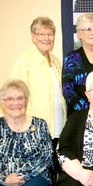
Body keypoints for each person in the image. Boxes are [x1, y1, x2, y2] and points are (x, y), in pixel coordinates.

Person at [11, 16, 67, 149]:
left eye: (50, 34)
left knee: (55, 167)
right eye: (42, 34)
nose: (47, 38)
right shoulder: (24, 61)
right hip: (33, 129)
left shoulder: (56, 61)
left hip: (58, 127)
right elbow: (15, 98)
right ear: (33, 36)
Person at [0, 79, 52, 186]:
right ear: (3, 103)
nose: (16, 103)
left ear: (26, 101)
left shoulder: (40, 125)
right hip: (4, 178)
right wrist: (4, 179)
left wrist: (23, 176)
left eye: (20, 98)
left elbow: (47, 156)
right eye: (10, 99)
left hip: (36, 176)